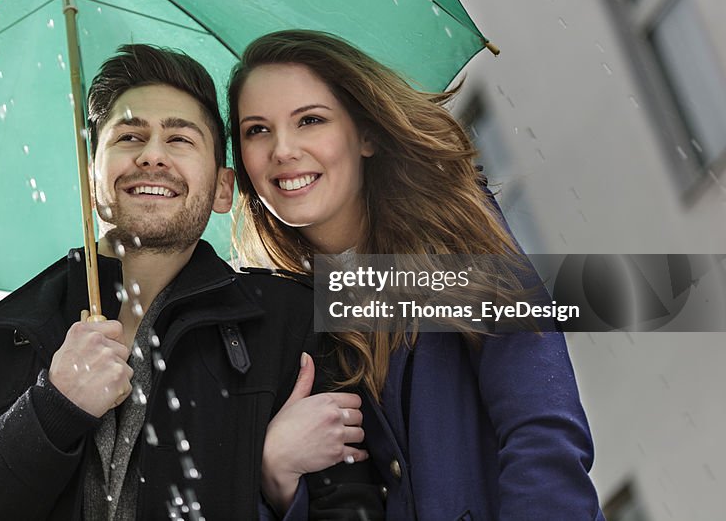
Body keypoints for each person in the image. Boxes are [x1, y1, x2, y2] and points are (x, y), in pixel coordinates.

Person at [0, 44, 318, 520]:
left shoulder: (290, 322)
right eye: (128, 137)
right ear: (90, 178)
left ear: (223, 188)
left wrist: (277, 479)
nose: (152, 157)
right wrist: (51, 409)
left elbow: (355, 504)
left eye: (180, 140)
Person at [230, 30, 606, 520]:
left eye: (310, 120)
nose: (283, 149)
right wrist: (275, 474)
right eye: (257, 130)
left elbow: (541, 421)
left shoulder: (450, 236)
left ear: (364, 134)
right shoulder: (272, 320)